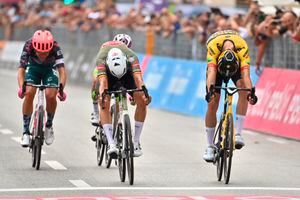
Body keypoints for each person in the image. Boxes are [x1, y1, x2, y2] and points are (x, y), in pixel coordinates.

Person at [203, 30, 258, 162]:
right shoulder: (213, 47)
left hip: (235, 65)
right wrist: (209, 92)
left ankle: (238, 133)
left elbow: (245, 76)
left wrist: (251, 92)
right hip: (217, 67)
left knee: (243, 92)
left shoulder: (242, 48)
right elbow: (211, 72)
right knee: (213, 102)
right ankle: (209, 146)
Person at [95, 35, 151, 158]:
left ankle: (136, 142)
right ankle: (111, 143)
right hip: (108, 76)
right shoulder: (101, 60)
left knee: (141, 100)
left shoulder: (131, 57)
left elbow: (138, 78)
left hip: (127, 74)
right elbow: (103, 83)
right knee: (104, 102)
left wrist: (145, 92)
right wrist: (102, 96)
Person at [18, 29, 67, 147]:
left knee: (51, 94)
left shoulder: (56, 47)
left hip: (49, 70)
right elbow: (21, 70)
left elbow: (62, 71)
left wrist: (61, 89)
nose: (43, 56)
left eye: (46, 53)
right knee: (29, 93)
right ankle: (25, 132)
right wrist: (21, 88)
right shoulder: (28, 45)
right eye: (40, 52)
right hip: (33, 69)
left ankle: (49, 125)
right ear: (34, 47)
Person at [90, 34, 134, 141]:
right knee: (96, 81)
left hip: (120, 74)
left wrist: (132, 95)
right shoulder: (107, 49)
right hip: (105, 68)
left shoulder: (129, 56)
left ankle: (117, 123)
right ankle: (95, 110)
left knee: (119, 100)